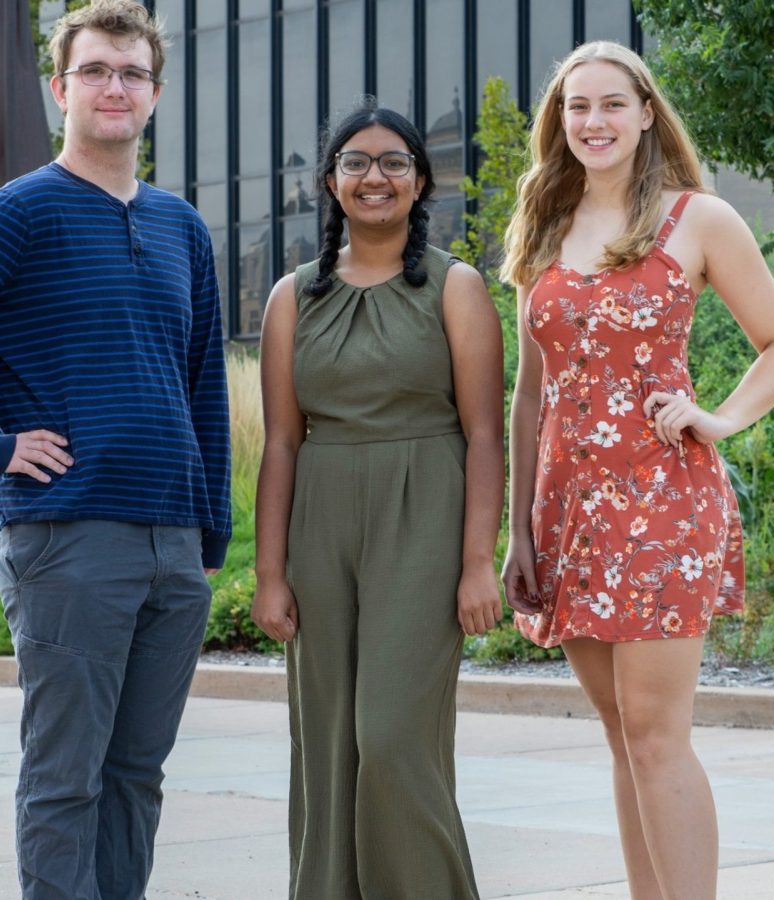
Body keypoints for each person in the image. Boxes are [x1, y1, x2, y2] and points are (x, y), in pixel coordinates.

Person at [0, 2, 230, 897]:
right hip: (70, 538)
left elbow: (202, 387)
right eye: (96, 71)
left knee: (136, 778)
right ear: (59, 88)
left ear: (154, 93)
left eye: (132, 73)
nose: (115, 87)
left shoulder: (180, 228)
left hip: (174, 545)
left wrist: (209, 531)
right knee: (64, 779)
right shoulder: (24, 210)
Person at [500, 42, 774, 900]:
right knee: (619, 731)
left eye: (610, 105)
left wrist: (719, 418)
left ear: (644, 113)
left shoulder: (698, 219)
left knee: (657, 733)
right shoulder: (547, 224)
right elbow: (532, 397)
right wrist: (520, 528)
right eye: (575, 107)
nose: (592, 122)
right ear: (559, 123)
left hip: (665, 500)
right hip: (570, 509)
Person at [252, 102, 504, 899]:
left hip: (423, 516)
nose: (375, 177)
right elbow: (283, 442)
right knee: (328, 745)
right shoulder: (291, 299)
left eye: (394, 162)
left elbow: (486, 435)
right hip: (321, 524)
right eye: (356, 162)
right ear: (330, 182)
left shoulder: (457, 288)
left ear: (421, 180)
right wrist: (269, 573)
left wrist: (476, 563)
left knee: (393, 739)